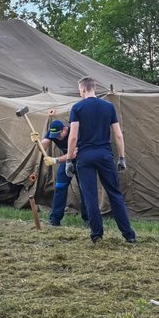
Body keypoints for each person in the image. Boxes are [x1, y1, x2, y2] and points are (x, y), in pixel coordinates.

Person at [65, 77, 136, 244]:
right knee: (115, 194)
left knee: (90, 196)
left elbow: (73, 136)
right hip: (105, 155)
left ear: (82, 90)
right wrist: (122, 157)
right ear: (94, 88)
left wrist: (69, 159)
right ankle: (129, 235)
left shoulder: (77, 108)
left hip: (85, 157)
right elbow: (118, 134)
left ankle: (96, 234)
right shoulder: (108, 107)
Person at [41, 119, 88, 226]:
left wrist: (55, 160)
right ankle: (55, 219)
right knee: (60, 187)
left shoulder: (75, 132)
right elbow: (43, 147)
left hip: (81, 161)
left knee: (85, 190)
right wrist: (38, 142)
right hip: (66, 162)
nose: (57, 137)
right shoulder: (53, 132)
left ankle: (88, 219)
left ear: (65, 129)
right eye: (54, 135)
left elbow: (74, 153)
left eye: (59, 134)